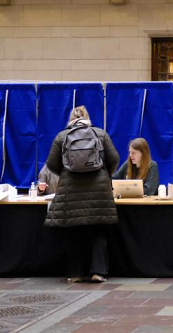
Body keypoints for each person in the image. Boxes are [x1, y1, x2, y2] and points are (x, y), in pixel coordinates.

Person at [43, 106, 120, 283]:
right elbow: (114, 158)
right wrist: (104, 173)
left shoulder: (62, 137)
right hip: (99, 189)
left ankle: (76, 273)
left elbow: (51, 164)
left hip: (71, 188)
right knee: (98, 230)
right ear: (88, 117)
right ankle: (98, 272)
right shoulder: (100, 134)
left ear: (70, 119)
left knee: (73, 231)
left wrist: (66, 172)